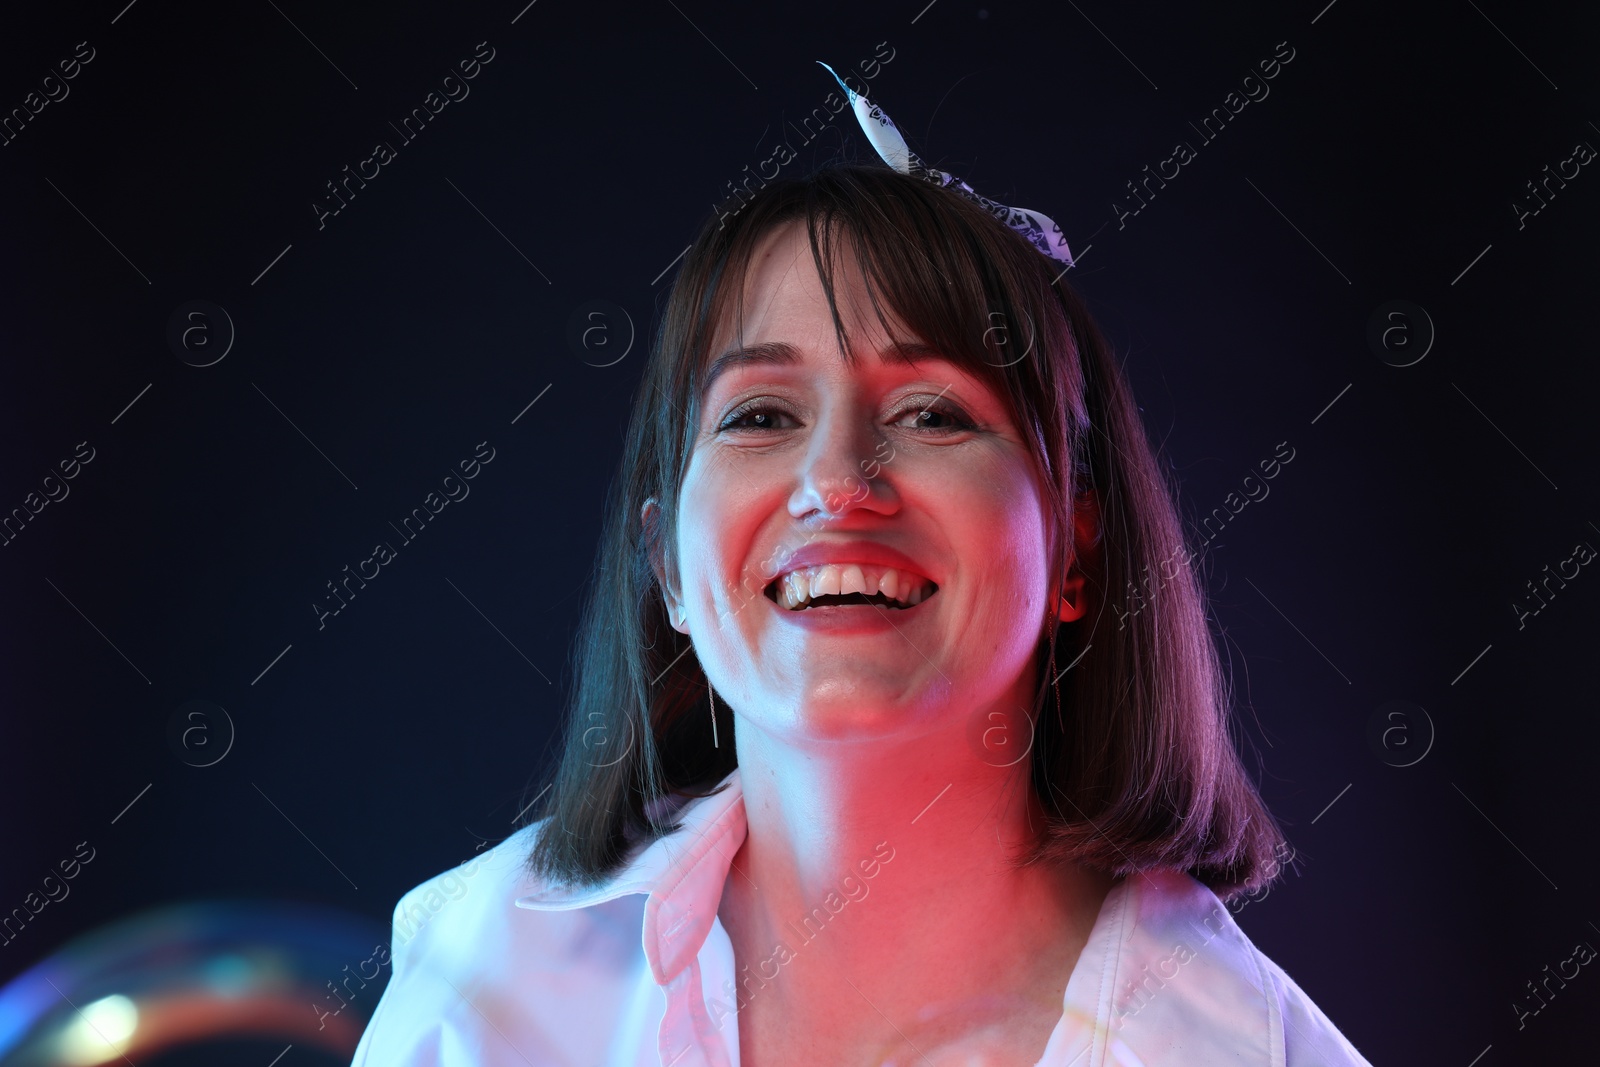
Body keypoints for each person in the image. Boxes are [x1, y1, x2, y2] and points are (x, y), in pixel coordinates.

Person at [350, 104, 1375, 1067]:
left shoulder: (1248, 1045)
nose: (838, 483)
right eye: (759, 415)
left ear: (1073, 550)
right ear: (666, 562)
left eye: (933, 413)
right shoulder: (480, 972)